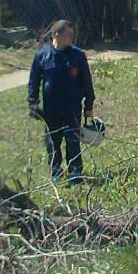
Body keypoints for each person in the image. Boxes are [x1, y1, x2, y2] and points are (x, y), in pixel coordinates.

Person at [27, 19, 96, 182]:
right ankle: (56, 173)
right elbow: (34, 80)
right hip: (51, 109)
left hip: (72, 107)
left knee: (73, 140)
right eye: (68, 34)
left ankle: (75, 173)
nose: (72, 37)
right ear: (57, 34)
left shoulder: (77, 55)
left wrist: (89, 105)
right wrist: (33, 102)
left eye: (73, 34)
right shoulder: (43, 55)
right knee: (52, 142)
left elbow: (87, 82)